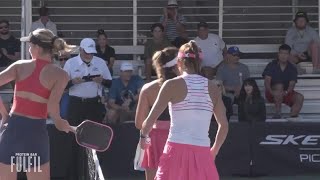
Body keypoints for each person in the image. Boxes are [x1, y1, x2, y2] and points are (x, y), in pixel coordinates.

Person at [140, 41, 229, 180]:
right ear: (199, 62)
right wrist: (214, 151)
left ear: (179, 62)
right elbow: (223, 126)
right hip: (202, 152)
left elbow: (149, 121)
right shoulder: (212, 88)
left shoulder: (171, 85)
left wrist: (143, 137)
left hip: (174, 150)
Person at [0, 28, 72, 180]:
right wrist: (60, 123)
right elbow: (53, 109)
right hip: (35, 134)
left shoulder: (19, 65)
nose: (29, 48)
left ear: (37, 48)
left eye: (30, 45)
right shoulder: (61, 74)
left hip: (12, 131)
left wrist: (4, 115)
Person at [63, 38, 112, 179]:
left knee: (95, 140)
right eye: (87, 52)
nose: (89, 55)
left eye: (91, 52)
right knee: (73, 140)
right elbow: (63, 86)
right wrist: (73, 82)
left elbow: (109, 83)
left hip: (93, 105)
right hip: (76, 104)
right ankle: (73, 175)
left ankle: (94, 174)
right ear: (80, 50)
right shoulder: (70, 63)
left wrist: (101, 80)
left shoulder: (100, 62)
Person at [135, 47, 179, 180]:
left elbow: (139, 123)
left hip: (154, 140)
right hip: (180, 139)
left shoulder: (148, 89)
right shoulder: (187, 88)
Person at [262, 44, 304, 119]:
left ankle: (293, 117)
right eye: (281, 53)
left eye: (286, 53)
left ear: (289, 55)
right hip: (272, 93)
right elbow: (267, 81)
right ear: (278, 54)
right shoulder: (271, 65)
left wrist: (286, 92)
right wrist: (271, 92)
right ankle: (278, 114)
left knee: (300, 97)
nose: (283, 56)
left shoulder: (292, 68)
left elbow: (292, 84)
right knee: (279, 86)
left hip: (286, 93)